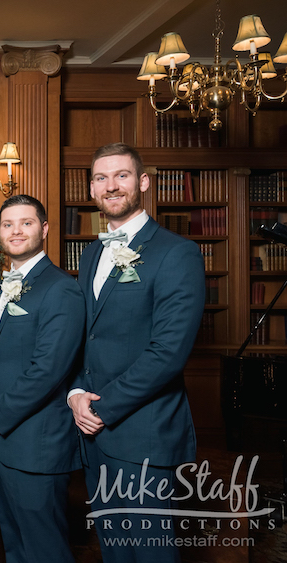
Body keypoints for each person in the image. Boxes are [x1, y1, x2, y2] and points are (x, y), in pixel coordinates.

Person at [69, 143, 205, 563]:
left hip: (143, 432)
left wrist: (102, 407)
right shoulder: (91, 254)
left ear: (143, 182)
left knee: (150, 554)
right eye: (101, 178)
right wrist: (75, 393)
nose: (111, 186)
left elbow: (167, 353)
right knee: (114, 553)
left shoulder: (176, 253)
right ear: (91, 189)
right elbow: (82, 337)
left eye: (122, 176)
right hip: (92, 432)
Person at [0, 194, 84, 563]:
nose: (16, 231)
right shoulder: (3, 288)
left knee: (44, 548)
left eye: (26, 223)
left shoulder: (60, 288)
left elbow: (48, 369)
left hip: (38, 443)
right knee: (14, 544)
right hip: (5, 442)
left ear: (44, 229)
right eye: (7, 224)